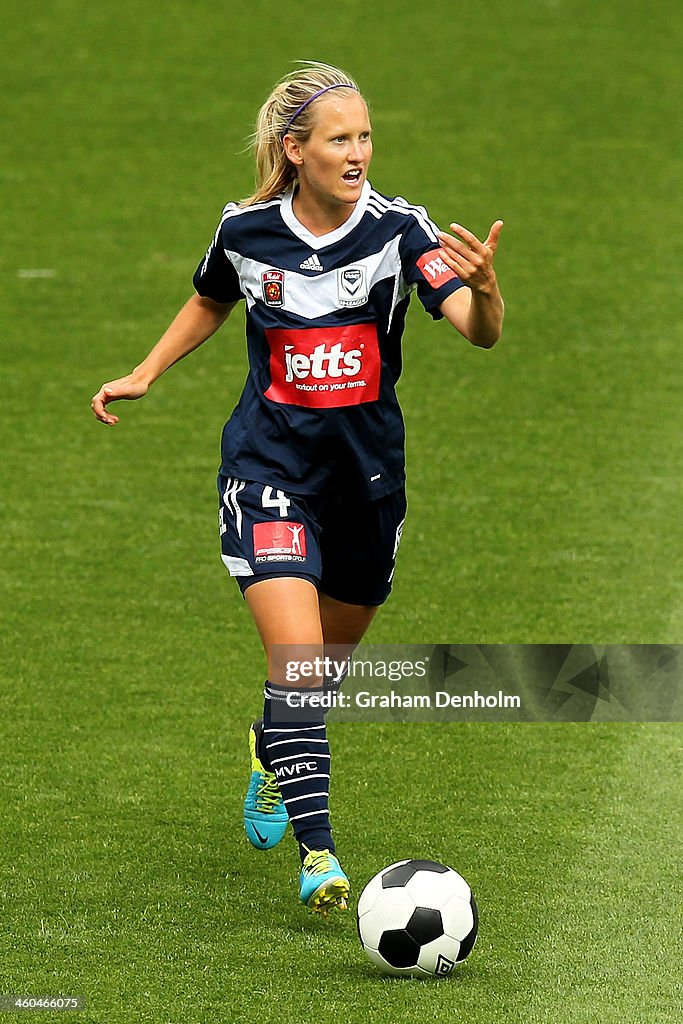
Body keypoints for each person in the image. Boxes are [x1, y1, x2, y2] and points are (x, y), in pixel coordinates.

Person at [91, 61, 505, 917]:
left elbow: (474, 330)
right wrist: (145, 370)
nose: (357, 152)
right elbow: (210, 299)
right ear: (296, 150)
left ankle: (268, 745)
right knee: (297, 661)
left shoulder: (398, 228)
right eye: (339, 138)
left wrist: (489, 295)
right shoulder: (246, 230)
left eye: (364, 137)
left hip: (366, 486)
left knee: (312, 683)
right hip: (268, 474)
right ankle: (320, 854)